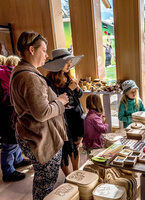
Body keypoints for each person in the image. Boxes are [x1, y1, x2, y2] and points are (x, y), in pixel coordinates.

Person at [10, 31, 69, 199]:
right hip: (40, 137)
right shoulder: (30, 77)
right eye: (43, 50)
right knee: (45, 183)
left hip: (31, 133)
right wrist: (60, 102)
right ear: (31, 50)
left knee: (43, 180)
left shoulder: (20, 71)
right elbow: (42, 113)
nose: (46, 55)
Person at [43, 48, 84, 177]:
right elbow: (57, 100)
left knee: (76, 145)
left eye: (70, 62)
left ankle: (76, 173)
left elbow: (79, 95)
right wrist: (70, 89)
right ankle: (68, 176)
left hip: (75, 117)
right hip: (62, 119)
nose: (69, 65)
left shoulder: (69, 76)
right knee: (64, 148)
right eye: (67, 62)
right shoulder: (49, 82)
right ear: (58, 64)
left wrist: (77, 88)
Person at [0, 55, 32, 182]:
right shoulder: (12, 75)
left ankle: (17, 160)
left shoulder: (6, 74)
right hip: (8, 114)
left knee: (15, 139)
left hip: (9, 113)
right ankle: (8, 171)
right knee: (9, 144)